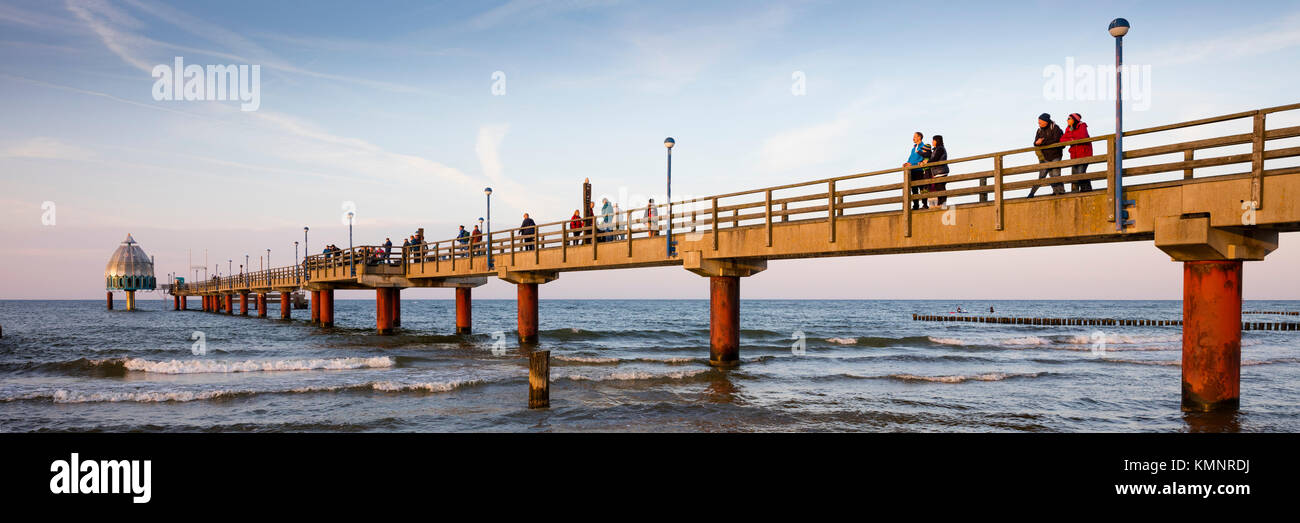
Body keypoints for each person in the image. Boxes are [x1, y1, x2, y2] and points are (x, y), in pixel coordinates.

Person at [1029, 113, 1065, 197]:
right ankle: (1056, 191)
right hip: (1045, 156)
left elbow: (1056, 140)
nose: (1039, 124)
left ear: (1046, 121)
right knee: (1048, 175)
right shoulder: (1039, 130)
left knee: (1056, 174)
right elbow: (1035, 142)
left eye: (1041, 122)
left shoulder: (1055, 128)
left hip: (1056, 154)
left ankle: (1061, 192)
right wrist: (1037, 143)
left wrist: (1042, 142)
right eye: (1038, 122)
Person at [1060, 113, 1094, 192]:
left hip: (1084, 153)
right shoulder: (1068, 128)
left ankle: (1086, 190)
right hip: (1074, 154)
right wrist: (1072, 139)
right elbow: (1062, 139)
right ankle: (1081, 190)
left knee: (1080, 173)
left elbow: (1083, 136)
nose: (1067, 120)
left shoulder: (1082, 125)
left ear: (1074, 119)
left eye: (1069, 119)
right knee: (1076, 174)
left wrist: (1071, 139)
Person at [903, 131, 930, 210]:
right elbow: (910, 159)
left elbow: (923, 159)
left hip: (919, 170)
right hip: (912, 171)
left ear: (919, 137)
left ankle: (925, 204)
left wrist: (912, 164)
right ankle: (915, 206)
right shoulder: (913, 148)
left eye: (915, 136)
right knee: (913, 189)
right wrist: (907, 163)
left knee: (922, 188)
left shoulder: (924, 147)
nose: (913, 138)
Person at [922, 135, 949, 206]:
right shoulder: (936, 149)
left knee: (941, 187)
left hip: (941, 171)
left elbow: (935, 159)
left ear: (937, 141)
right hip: (937, 172)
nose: (932, 142)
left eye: (933, 140)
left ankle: (943, 204)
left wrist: (927, 162)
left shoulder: (940, 149)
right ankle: (940, 204)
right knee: (938, 188)